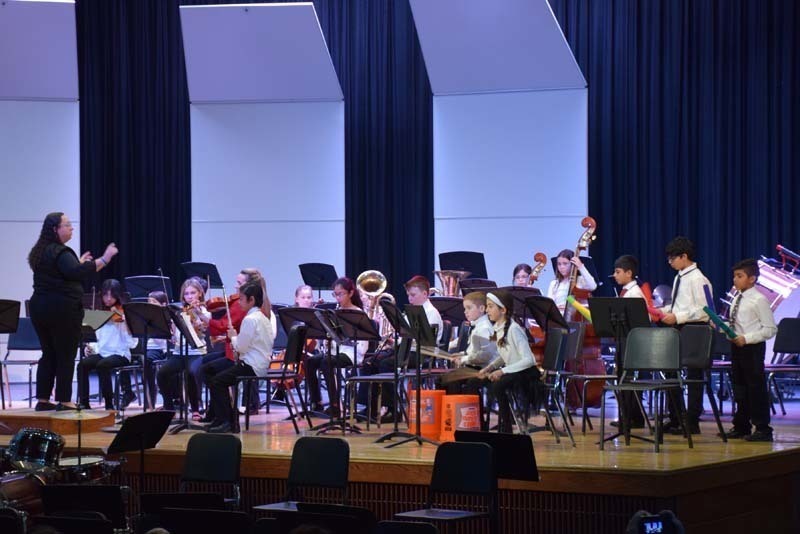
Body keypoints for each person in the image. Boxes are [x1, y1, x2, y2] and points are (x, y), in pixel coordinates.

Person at [28, 212, 117, 411]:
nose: (71, 228)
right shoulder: (60, 251)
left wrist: (78, 263)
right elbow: (77, 272)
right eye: (67, 225)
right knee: (65, 354)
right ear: (55, 229)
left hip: (40, 307)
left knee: (49, 353)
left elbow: (66, 272)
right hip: (61, 309)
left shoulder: (41, 251)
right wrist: (105, 258)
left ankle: (43, 400)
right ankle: (65, 400)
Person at [658, 236, 711, 435]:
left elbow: (705, 311)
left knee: (693, 376)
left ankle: (692, 420)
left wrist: (677, 317)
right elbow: (679, 305)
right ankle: (676, 417)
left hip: (695, 330)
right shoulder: (679, 277)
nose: (669, 262)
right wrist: (662, 311)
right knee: (670, 372)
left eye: (672, 258)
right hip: (680, 328)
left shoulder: (698, 279)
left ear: (684, 256)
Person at [207, 281, 273, 433]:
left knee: (217, 382)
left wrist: (233, 337)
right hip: (259, 364)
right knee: (217, 377)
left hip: (251, 365)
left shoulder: (250, 319)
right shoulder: (262, 317)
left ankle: (227, 421)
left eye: (242, 299)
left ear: (252, 300)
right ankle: (227, 419)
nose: (239, 303)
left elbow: (241, 348)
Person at [724, 259, 778, 442]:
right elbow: (737, 325)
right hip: (737, 347)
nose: (735, 280)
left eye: (739, 276)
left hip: (752, 348)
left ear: (752, 278)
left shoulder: (759, 300)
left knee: (755, 388)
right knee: (740, 387)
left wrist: (746, 338)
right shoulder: (737, 298)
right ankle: (741, 425)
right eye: (734, 276)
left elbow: (770, 329)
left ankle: (763, 428)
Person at [476, 290, 540, 433]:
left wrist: (502, 371)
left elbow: (529, 360)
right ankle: (483, 426)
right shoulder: (499, 328)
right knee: (480, 381)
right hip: (513, 371)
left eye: (490, 306)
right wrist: (490, 367)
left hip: (526, 373)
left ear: (503, 310)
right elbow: (505, 355)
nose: (487, 310)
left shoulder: (514, 329)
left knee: (498, 386)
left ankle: (506, 428)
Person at [305, 277, 366, 416]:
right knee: (311, 361)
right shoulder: (335, 312)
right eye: (335, 295)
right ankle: (316, 402)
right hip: (337, 351)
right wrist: (329, 340)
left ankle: (335, 405)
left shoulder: (357, 313)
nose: (338, 298)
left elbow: (362, 342)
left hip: (353, 352)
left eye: (341, 294)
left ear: (350, 293)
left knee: (326, 362)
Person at [77, 279, 138, 410]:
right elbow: (99, 338)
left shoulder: (124, 313)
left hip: (120, 353)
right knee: (82, 365)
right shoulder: (99, 314)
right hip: (103, 352)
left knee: (102, 365)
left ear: (118, 295)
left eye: (112, 295)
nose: (108, 299)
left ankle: (109, 404)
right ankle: (84, 403)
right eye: (106, 295)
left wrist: (124, 323)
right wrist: (90, 347)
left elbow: (132, 343)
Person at [156, 278, 209, 418]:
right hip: (179, 353)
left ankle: (195, 408)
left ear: (200, 294)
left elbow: (204, 330)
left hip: (197, 352)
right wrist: (171, 335)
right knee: (162, 373)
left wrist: (198, 317)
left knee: (191, 373)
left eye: (193, 293)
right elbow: (174, 334)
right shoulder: (179, 311)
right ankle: (169, 407)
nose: (189, 297)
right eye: (186, 294)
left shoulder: (204, 312)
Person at [610, 255, 646, 428]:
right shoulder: (626, 292)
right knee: (622, 378)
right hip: (623, 340)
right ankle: (628, 416)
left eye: (617, 272)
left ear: (629, 273)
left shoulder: (635, 293)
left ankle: (633, 417)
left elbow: (640, 321)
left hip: (631, 343)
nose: (614, 275)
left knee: (628, 379)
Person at [442, 291, 498, 394]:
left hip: (486, 368)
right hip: (477, 366)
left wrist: (463, 360)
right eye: (465, 309)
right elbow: (473, 351)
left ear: (482, 309)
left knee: (450, 380)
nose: (465, 312)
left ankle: (463, 403)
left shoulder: (484, 328)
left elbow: (485, 355)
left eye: (469, 308)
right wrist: (461, 354)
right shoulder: (477, 326)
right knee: (447, 378)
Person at [142, 291, 170, 409]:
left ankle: (160, 399)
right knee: (144, 360)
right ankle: (149, 402)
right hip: (148, 348)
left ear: (163, 304)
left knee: (147, 360)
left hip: (161, 349)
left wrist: (153, 327)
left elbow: (162, 341)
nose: (150, 305)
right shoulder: (146, 317)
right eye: (149, 302)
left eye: (153, 302)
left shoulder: (166, 316)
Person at [547, 249, 597, 313]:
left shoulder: (579, 280)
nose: (562, 267)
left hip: (574, 316)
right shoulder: (554, 283)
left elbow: (593, 286)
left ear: (572, 264)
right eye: (559, 264)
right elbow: (549, 304)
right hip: (557, 315)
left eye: (565, 264)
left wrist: (581, 267)